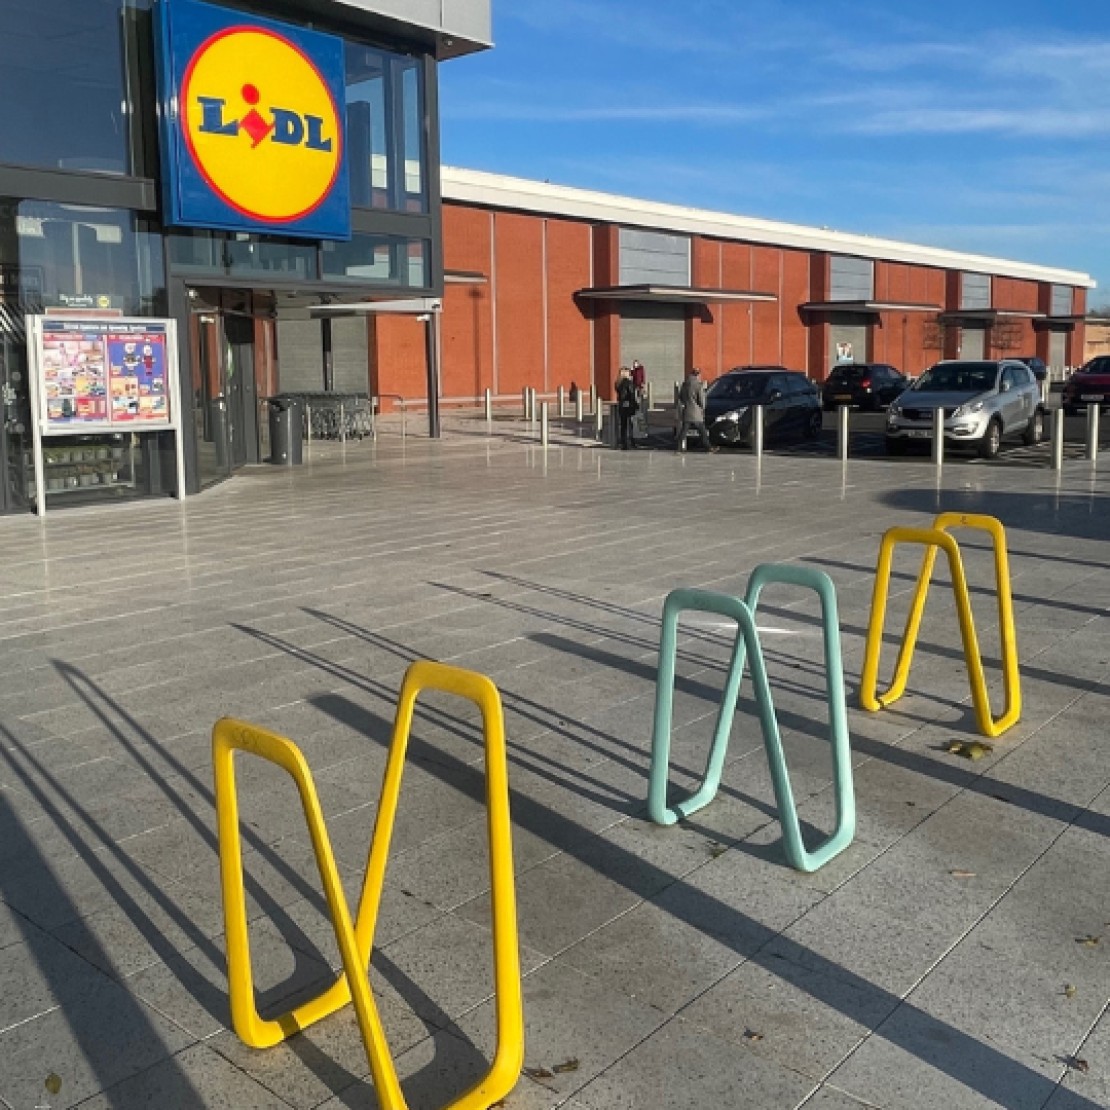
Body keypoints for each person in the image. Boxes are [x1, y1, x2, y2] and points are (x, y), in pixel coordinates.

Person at [677, 367, 716, 452]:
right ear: (698, 375)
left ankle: (679, 447)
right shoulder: (698, 385)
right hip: (696, 412)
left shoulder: (685, 384)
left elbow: (680, 397)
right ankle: (708, 447)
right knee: (702, 431)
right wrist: (703, 408)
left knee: (684, 431)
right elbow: (701, 400)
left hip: (687, 411)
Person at [615, 366, 639, 449]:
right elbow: (631, 394)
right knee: (632, 424)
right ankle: (633, 442)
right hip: (629, 404)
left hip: (622, 405)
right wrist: (635, 404)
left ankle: (624, 443)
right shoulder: (628, 383)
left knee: (623, 425)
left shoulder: (618, 382)